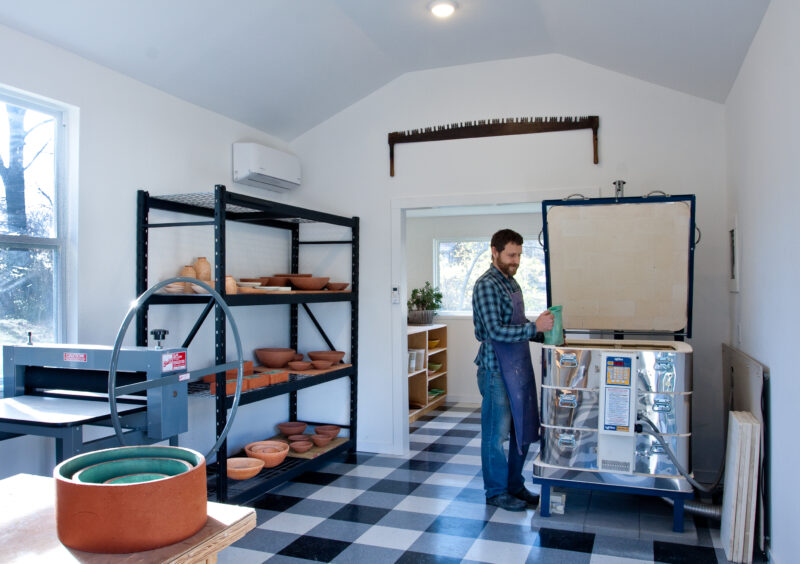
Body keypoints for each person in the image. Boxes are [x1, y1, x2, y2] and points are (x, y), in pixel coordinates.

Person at [472, 229, 554, 511]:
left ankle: (515, 485)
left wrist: (541, 333)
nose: (516, 260)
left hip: (517, 367)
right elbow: (495, 331)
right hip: (495, 370)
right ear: (494, 251)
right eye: (511, 254)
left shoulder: (511, 283)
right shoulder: (487, 285)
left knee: (523, 429)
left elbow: (516, 322)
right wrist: (534, 328)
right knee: (496, 436)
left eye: (519, 254)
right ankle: (496, 492)